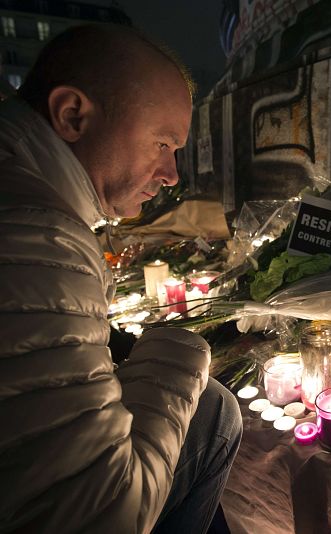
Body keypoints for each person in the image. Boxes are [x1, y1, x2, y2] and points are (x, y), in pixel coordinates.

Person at [0, 24, 242, 533]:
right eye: (161, 143)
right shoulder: (36, 233)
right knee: (214, 411)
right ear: (73, 116)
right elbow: (102, 514)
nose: (172, 174)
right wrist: (179, 353)